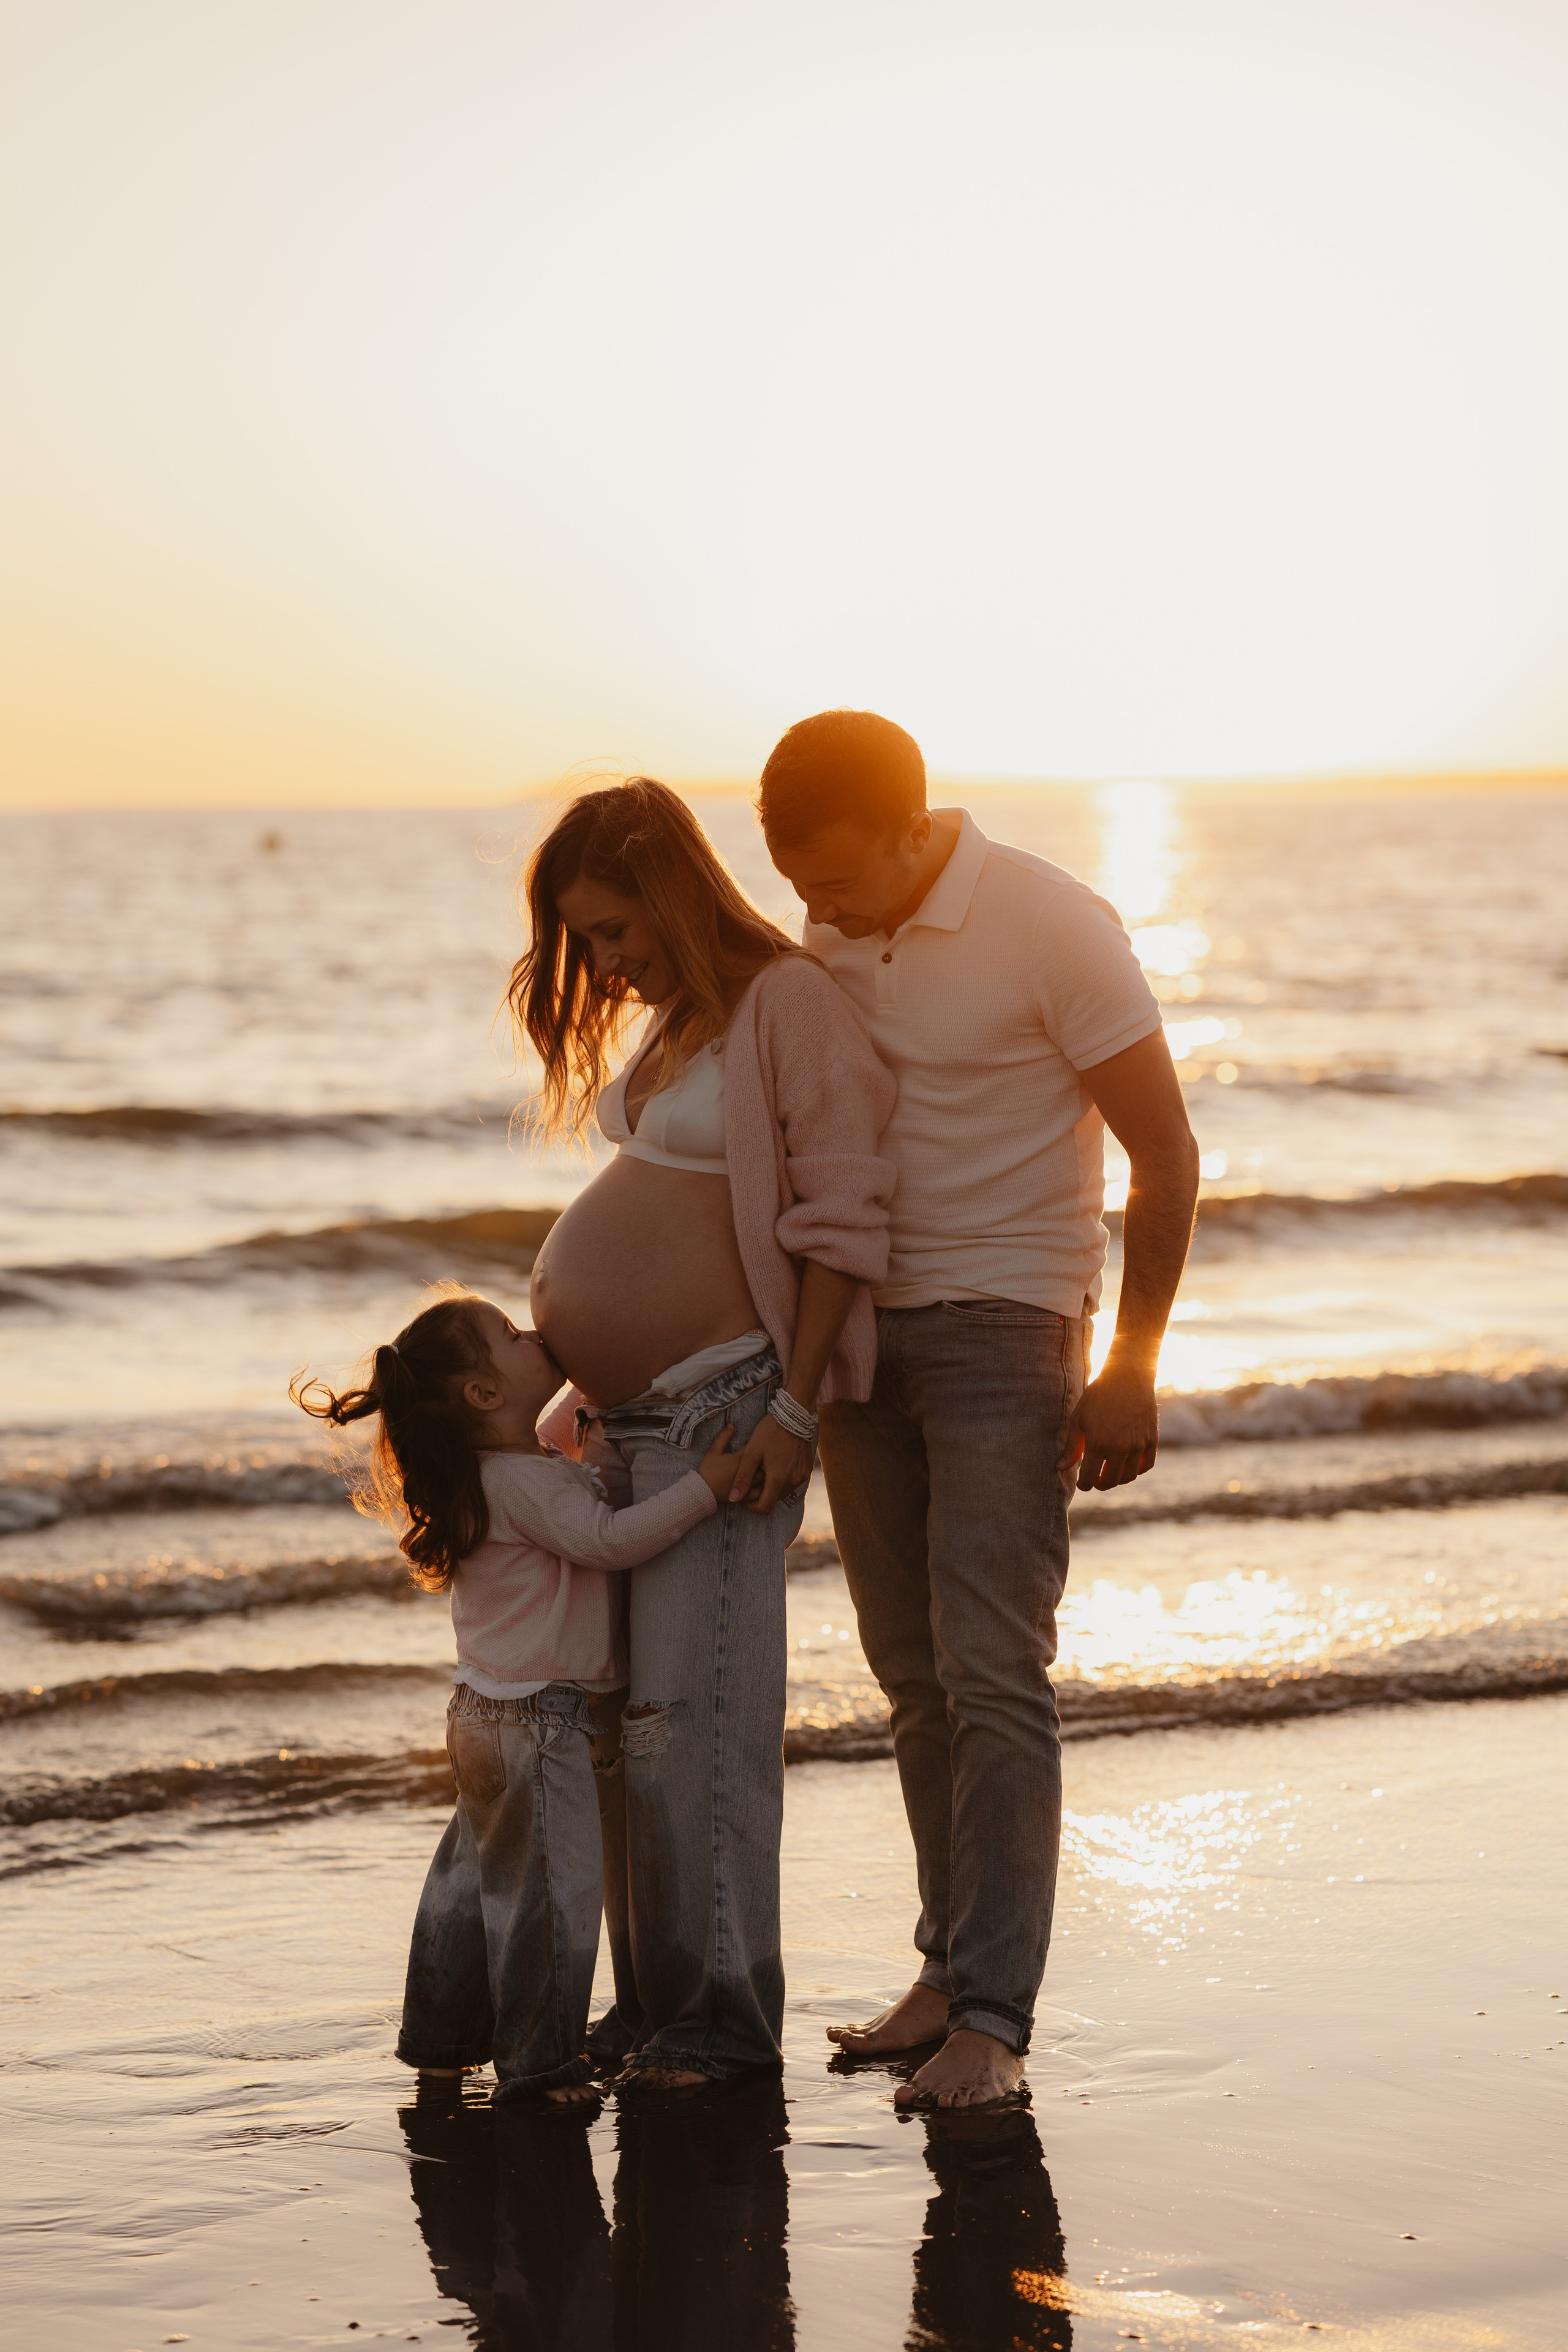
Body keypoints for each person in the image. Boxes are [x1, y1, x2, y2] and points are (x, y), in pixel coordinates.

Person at [759, 709, 1200, 2109]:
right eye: (793, 885)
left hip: (1009, 1326)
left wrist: (1130, 1360)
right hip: (862, 1338)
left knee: (995, 1673)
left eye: (835, 879)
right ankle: (945, 1973)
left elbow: (1166, 1153)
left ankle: (994, 2025)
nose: (815, 910)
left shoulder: (1050, 924)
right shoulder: (821, 937)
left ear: (913, 827)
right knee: (910, 1679)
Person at [510, 776, 896, 2086]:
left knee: (700, 1726)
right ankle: (655, 2008)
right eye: (588, 942)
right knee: (628, 1737)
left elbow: (843, 1216)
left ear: (670, 885)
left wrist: (796, 1408)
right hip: (630, 1422)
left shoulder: (788, 1004)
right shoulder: (684, 1017)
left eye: (615, 928)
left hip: (730, 1408)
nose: (606, 962)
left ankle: (722, 2025)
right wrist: (577, 1380)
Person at [292, 1288, 740, 2105]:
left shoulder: (494, 1473)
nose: (534, 1334)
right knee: (551, 1903)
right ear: (484, 1394)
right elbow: (608, 1541)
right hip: (541, 1721)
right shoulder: (528, 1484)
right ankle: (541, 2067)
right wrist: (703, 1487)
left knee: (471, 1891)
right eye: (511, 1334)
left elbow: (577, 1495)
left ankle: (441, 2043)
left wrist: (592, 1436)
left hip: (478, 1714)